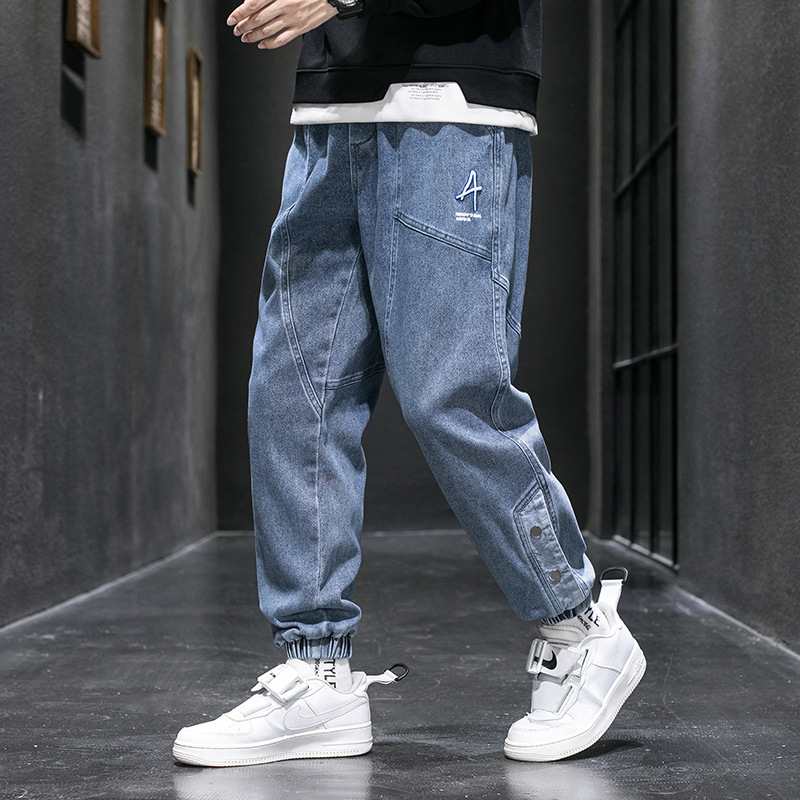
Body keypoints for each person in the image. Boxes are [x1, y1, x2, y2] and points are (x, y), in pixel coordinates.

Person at [173, 0, 646, 767]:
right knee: (294, 395)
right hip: (330, 111)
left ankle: (580, 624)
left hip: (451, 105)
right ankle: (317, 669)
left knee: (452, 395)